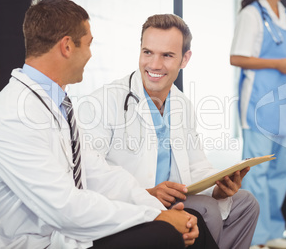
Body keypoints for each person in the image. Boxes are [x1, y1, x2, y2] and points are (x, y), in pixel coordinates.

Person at [0, 0, 218, 249]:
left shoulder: (54, 105)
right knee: (166, 233)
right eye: (88, 45)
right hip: (32, 242)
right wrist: (157, 216)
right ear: (67, 47)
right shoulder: (15, 117)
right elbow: (66, 208)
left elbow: (101, 174)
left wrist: (162, 211)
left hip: (66, 232)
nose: (90, 55)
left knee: (190, 220)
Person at [76, 13, 260, 249]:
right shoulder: (104, 102)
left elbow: (196, 165)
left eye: (167, 55)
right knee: (208, 211)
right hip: (128, 205)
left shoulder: (182, 104)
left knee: (246, 203)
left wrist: (219, 187)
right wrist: (146, 193)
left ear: (185, 59)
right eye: (148, 52)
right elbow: (87, 176)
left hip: (173, 199)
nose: (154, 64)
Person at [229, 0, 286, 248]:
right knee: (257, 172)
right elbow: (237, 57)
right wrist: (276, 63)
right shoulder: (252, 14)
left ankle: (273, 231)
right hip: (259, 103)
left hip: (285, 104)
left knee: (280, 171)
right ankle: (253, 235)